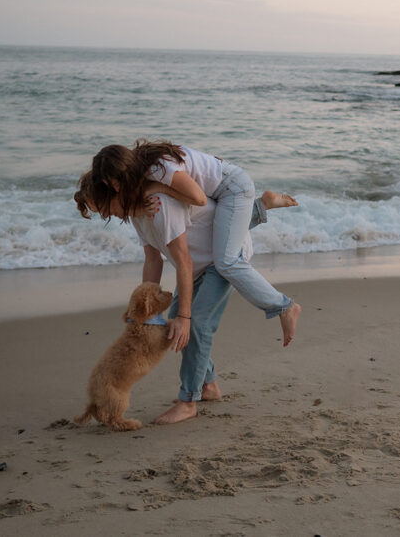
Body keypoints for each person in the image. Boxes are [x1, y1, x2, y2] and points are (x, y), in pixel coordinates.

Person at [75, 172, 298, 423]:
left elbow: (183, 261)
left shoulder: (159, 207)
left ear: (116, 191)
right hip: (198, 260)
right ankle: (209, 386)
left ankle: (188, 401)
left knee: (193, 326)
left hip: (218, 259)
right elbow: (153, 259)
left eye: (103, 208)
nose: (105, 216)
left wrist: (184, 315)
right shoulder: (138, 215)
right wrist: (144, 312)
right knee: (175, 324)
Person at [89, 141, 301, 346]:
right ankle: (262, 206)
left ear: (125, 169)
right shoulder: (140, 173)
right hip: (218, 190)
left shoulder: (158, 171)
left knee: (226, 261)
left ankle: (284, 306)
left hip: (232, 187)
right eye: (110, 185)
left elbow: (198, 199)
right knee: (218, 232)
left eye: (115, 182)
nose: (115, 188)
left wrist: (157, 188)